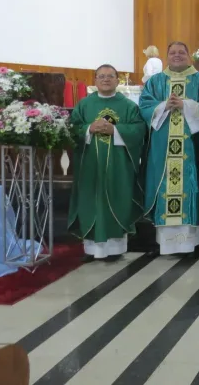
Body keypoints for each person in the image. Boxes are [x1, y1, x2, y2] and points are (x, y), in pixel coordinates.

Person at [140, 42, 199, 256]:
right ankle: (168, 244)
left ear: (189, 56)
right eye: (172, 53)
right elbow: (145, 106)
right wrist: (163, 106)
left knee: (192, 187)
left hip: (194, 149)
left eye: (181, 52)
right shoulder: (156, 81)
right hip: (163, 148)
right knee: (165, 188)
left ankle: (195, 243)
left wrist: (187, 105)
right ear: (166, 56)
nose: (177, 56)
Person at [68, 64, 146, 261]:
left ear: (117, 81)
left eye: (110, 76)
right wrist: (89, 128)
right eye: (101, 76)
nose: (105, 79)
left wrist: (116, 131)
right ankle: (91, 249)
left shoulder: (128, 106)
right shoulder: (84, 105)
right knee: (91, 201)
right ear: (95, 80)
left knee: (117, 199)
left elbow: (139, 131)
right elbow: (71, 129)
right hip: (90, 166)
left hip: (118, 168)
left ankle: (115, 249)